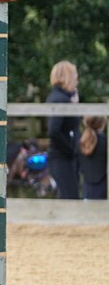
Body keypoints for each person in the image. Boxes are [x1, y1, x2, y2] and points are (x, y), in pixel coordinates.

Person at [46, 60, 80, 199]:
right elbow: (54, 130)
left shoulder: (61, 97)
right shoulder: (60, 99)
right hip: (62, 158)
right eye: (75, 76)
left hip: (63, 157)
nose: (77, 80)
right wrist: (70, 150)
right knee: (70, 199)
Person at [78, 116, 107, 200]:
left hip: (86, 185)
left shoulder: (81, 140)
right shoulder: (105, 140)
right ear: (102, 124)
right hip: (102, 185)